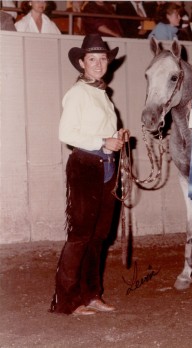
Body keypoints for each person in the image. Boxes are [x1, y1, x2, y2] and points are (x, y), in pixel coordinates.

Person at [50, 34, 128, 316]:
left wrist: (116, 138)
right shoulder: (78, 93)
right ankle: (66, 302)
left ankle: (91, 294)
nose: (98, 63)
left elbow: (98, 133)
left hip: (105, 167)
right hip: (85, 166)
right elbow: (66, 133)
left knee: (98, 236)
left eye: (103, 58)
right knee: (81, 235)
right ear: (81, 63)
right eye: (92, 59)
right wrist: (102, 141)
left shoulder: (101, 93)